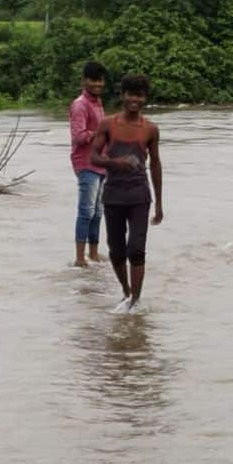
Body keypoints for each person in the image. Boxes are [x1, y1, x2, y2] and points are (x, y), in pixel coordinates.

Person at [90, 74, 163, 311]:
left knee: (136, 249)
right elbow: (94, 156)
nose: (134, 99)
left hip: (140, 195)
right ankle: (125, 290)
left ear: (144, 98)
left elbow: (155, 164)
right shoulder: (108, 124)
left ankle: (135, 302)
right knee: (116, 250)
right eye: (130, 94)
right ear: (122, 96)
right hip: (113, 195)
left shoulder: (151, 129)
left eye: (139, 95)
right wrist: (114, 164)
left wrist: (160, 203)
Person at [70, 60, 107, 267]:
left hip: (101, 163)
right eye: (93, 80)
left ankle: (93, 253)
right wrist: (102, 134)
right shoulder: (80, 105)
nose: (97, 84)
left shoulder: (97, 103)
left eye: (100, 80)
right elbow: (78, 136)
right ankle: (79, 257)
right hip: (85, 164)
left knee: (98, 211)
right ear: (84, 80)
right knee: (86, 210)